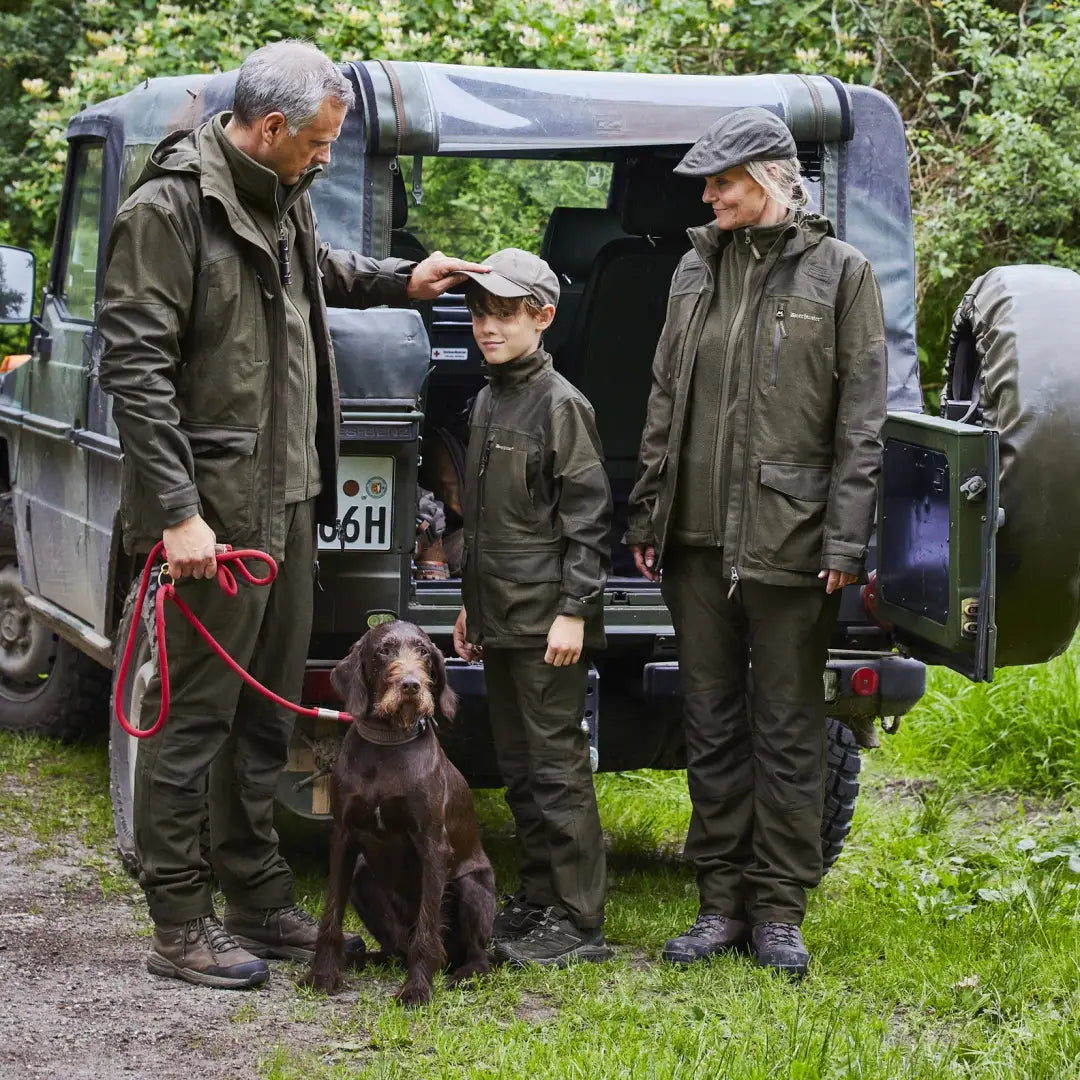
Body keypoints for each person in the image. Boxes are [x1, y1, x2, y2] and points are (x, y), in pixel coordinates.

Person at [98, 40, 489, 990]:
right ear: (270, 127)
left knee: (265, 722)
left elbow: (315, 270)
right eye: (317, 142)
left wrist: (401, 279)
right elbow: (135, 370)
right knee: (192, 726)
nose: (326, 156)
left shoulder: (281, 193)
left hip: (287, 508)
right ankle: (180, 922)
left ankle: (256, 896)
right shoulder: (168, 211)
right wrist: (179, 513)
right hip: (213, 523)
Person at [625, 107, 887, 977]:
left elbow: (862, 421)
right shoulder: (693, 269)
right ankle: (719, 904)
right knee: (710, 721)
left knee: (787, 727)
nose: (709, 197)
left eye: (723, 182)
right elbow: (664, 397)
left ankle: (779, 911)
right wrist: (650, 512)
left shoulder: (842, 273)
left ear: (772, 178)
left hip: (793, 538)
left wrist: (845, 540)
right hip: (694, 539)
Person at [450, 248, 613, 968]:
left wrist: (574, 611)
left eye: (505, 314)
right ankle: (541, 895)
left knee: (556, 767)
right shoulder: (489, 398)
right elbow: (485, 524)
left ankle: (579, 920)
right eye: (479, 312)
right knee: (518, 765)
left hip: (549, 623)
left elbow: (589, 520)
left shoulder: (561, 404)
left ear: (542, 317)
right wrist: (471, 609)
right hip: (501, 618)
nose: (488, 327)